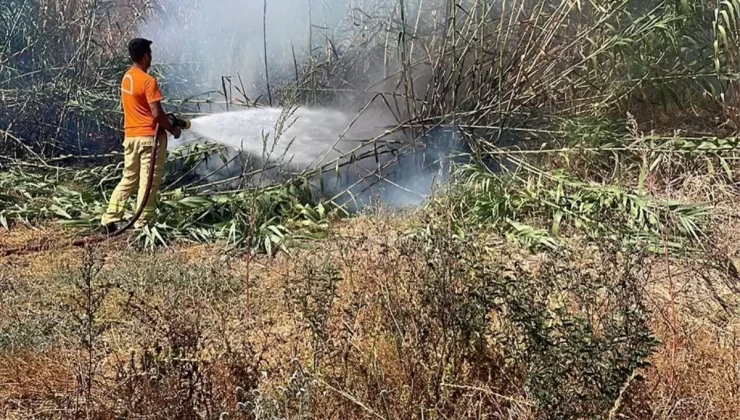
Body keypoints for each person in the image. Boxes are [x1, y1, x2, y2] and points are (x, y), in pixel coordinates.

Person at [100, 38, 181, 234]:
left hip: (131, 138)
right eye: (150, 54)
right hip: (149, 141)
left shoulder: (126, 78)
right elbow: (156, 114)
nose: (151, 57)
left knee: (128, 178)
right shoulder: (148, 81)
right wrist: (172, 129)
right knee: (149, 182)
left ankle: (109, 220)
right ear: (145, 56)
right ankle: (142, 225)